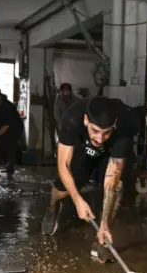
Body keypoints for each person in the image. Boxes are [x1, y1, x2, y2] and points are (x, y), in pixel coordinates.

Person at [42, 96, 135, 262]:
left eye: (106, 132)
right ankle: (52, 207)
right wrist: (78, 200)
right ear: (86, 120)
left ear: (114, 124)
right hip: (81, 151)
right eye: (95, 131)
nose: (100, 138)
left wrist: (105, 222)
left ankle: (102, 239)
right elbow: (63, 165)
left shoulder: (125, 124)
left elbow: (112, 180)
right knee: (62, 191)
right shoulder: (72, 118)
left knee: (117, 187)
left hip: (109, 155)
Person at [0, 87, 24, 176]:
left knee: (10, 145)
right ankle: (8, 164)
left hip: (14, 127)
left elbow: (6, 125)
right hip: (4, 126)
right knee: (1, 144)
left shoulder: (7, 107)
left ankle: (10, 166)